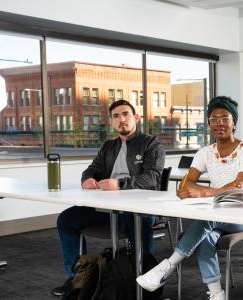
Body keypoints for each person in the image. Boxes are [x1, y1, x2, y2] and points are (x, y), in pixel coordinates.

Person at [136, 96, 243, 300]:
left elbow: (238, 190)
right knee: (206, 239)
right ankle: (217, 294)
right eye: (214, 118)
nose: (220, 123)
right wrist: (212, 191)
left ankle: (168, 266)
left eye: (225, 118)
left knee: (208, 217)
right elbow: (184, 186)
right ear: (209, 123)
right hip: (217, 214)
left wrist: (202, 191)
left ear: (234, 123)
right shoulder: (205, 152)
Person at [52, 100, 165, 296]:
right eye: (116, 116)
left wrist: (120, 184)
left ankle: (146, 283)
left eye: (125, 114)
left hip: (138, 209)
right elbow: (92, 169)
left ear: (135, 117)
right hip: (107, 209)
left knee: (138, 222)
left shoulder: (150, 143)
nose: (121, 119)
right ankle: (78, 278)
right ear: (111, 122)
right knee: (66, 219)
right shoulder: (108, 146)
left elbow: (153, 176)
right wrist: (87, 178)